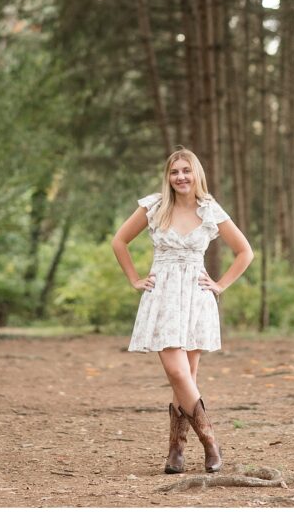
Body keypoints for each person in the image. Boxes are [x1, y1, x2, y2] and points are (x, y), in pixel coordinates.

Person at [111, 147, 253, 475]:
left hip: (196, 296)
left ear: (196, 174)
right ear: (168, 177)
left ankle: (176, 451)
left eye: (186, 171)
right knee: (177, 373)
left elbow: (245, 251)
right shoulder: (154, 206)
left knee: (186, 378)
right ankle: (211, 441)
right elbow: (119, 241)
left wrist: (220, 285)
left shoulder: (209, 210)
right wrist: (134, 278)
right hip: (162, 297)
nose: (181, 177)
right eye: (175, 172)